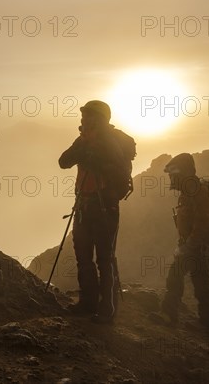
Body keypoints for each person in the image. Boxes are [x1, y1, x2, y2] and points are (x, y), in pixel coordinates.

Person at [58, 100, 135, 324]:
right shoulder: (83, 140)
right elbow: (63, 162)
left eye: (87, 115)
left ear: (99, 118)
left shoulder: (110, 141)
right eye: (83, 115)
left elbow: (118, 167)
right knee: (84, 256)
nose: (83, 118)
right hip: (86, 203)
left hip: (104, 205)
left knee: (103, 258)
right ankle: (89, 303)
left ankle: (106, 309)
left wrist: (95, 158)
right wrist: (82, 149)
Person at [155, 153, 209, 332]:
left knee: (176, 276)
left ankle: (168, 315)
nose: (171, 178)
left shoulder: (198, 193)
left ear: (183, 173)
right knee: (200, 282)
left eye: (173, 174)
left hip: (196, 245)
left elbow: (203, 222)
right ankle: (207, 322)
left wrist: (188, 245)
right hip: (196, 245)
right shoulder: (189, 192)